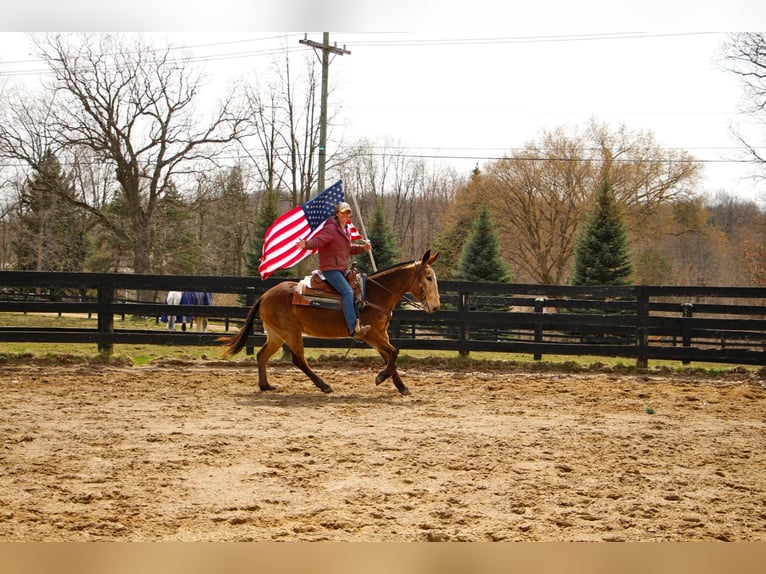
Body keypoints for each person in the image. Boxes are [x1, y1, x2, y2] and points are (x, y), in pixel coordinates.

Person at [297, 202, 373, 337]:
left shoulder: (345, 229)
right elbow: (320, 241)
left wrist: (363, 248)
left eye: (348, 213)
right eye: (343, 213)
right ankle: (352, 329)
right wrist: (307, 244)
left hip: (342, 269)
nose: (345, 215)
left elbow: (348, 248)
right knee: (348, 292)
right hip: (330, 269)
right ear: (337, 214)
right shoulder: (331, 228)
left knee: (359, 287)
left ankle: (358, 321)